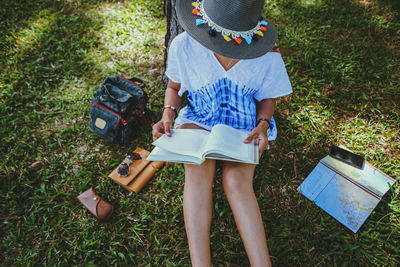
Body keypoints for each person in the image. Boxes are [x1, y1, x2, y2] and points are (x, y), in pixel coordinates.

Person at [152, 0, 292, 265]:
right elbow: (174, 87)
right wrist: (168, 112)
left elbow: (267, 98)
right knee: (197, 171)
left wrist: (263, 123)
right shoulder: (184, 45)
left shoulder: (267, 55)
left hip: (244, 125)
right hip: (199, 117)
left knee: (237, 182)